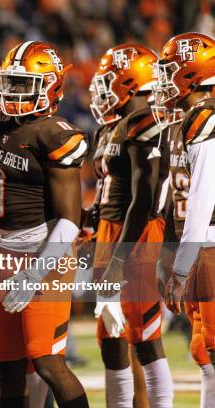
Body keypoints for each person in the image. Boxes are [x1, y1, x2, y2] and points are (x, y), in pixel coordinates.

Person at [0, 40, 89, 408]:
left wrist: (35, 273)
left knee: (46, 360)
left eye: (24, 84)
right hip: (2, 250)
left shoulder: (54, 134)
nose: (13, 92)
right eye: (10, 82)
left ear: (51, 87)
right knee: (6, 364)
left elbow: (70, 220)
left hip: (45, 254)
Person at [89, 43, 173, 407]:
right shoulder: (111, 128)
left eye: (109, 81)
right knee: (110, 337)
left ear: (129, 81)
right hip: (110, 231)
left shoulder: (148, 124)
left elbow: (144, 199)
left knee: (145, 336)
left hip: (136, 234)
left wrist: (120, 258)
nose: (101, 89)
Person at [156, 32, 215, 408]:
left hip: (208, 244)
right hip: (197, 246)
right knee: (204, 352)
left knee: (211, 350)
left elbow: (202, 198)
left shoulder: (206, 120)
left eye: (169, 71)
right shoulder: (186, 120)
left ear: (192, 72)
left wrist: (180, 267)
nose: (162, 81)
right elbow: (171, 198)